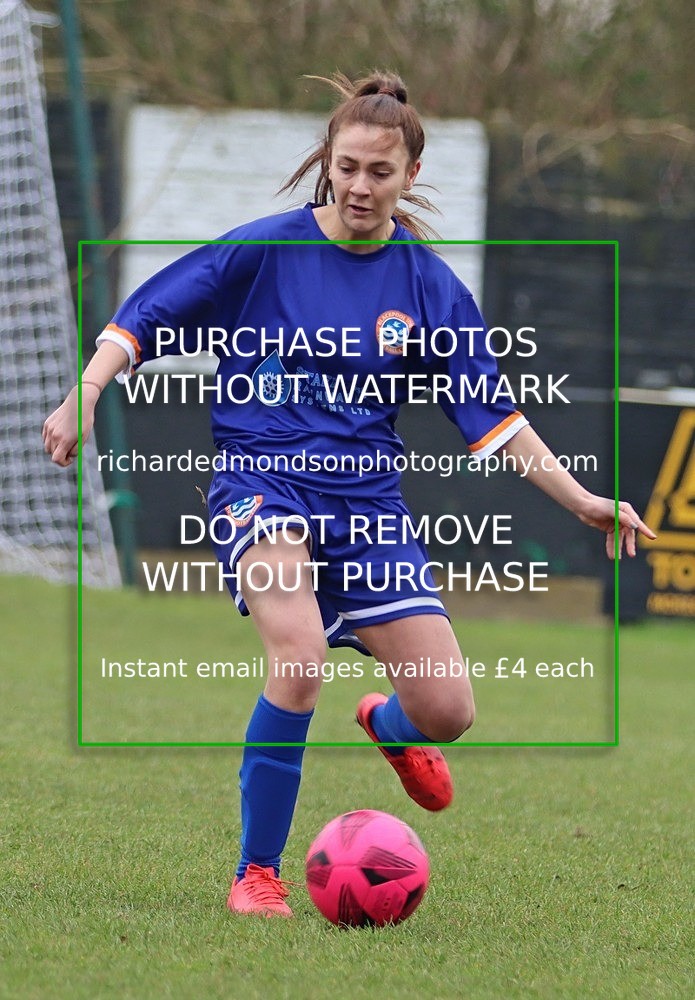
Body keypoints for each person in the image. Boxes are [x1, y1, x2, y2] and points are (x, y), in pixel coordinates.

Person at [43, 71, 655, 918]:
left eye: (379, 171)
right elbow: (142, 317)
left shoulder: (429, 287)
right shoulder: (266, 248)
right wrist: (85, 391)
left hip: (367, 508)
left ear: (410, 174)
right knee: (297, 659)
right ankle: (256, 874)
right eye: (346, 167)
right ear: (325, 163)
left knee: (447, 712)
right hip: (260, 482)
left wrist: (581, 499)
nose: (359, 186)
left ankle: (387, 725)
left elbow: (493, 417)